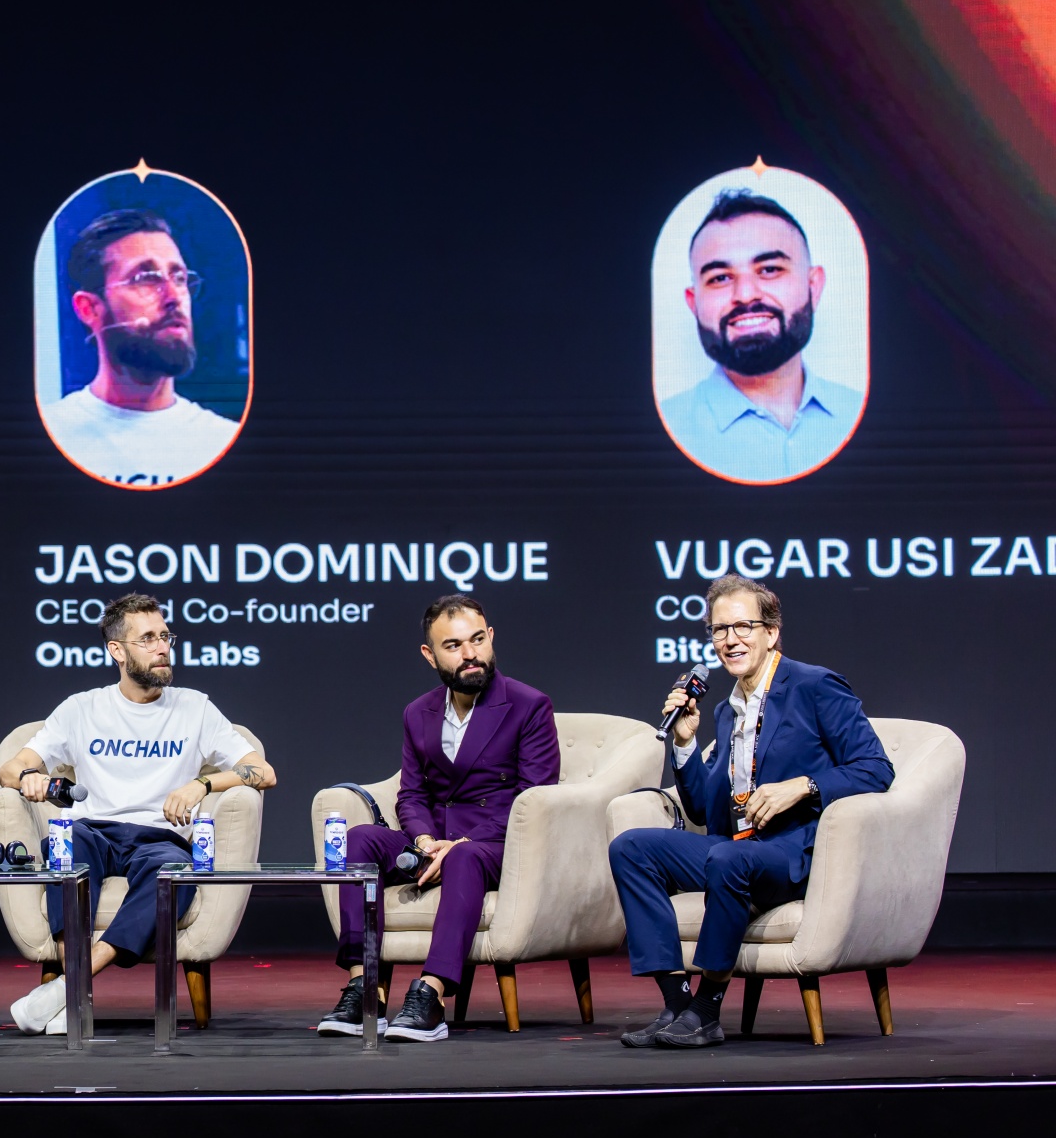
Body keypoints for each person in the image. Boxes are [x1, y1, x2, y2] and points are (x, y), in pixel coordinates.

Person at [609, 576, 894, 1048]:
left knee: (727, 858)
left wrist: (803, 786)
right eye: (719, 630)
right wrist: (684, 744)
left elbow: (876, 768)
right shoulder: (728, 709)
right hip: (737, 848)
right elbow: (703, 809)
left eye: (743, 626)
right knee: (631, 848)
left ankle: (707, 1009)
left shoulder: (814, 686)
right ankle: (677, 1004)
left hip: (793, 852)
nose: (730, 640)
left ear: (771, 632)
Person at [1, 593, 276, 1034]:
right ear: (117, 650)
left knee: (175, 875)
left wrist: (202, 784)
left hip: (159, 837)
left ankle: (68, 990)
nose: (162, 647)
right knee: (65, 848)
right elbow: (10, 768)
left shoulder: (195, 708)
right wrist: (28, 777)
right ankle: (72, 995)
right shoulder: (81, 709)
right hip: (94, 831)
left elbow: (263, 772)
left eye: (165, 636)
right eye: (147, 638)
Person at [316, 595, 559, 1042]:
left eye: (478, 640)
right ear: (430, 655)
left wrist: (460, 845)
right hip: (435, 843)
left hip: (496, 845)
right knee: (359, 839)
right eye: (454, 645)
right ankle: (363, 987)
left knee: (464, 858)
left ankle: (431, 994)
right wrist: (426, 839)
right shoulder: (418, 712)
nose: (470, 654)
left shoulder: (529, 705)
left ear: (491, 638)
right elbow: (411, 794)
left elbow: (533, 799)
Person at [656, 189, 864, 484]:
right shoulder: (662, 431)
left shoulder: (869, 418)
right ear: (694, 303)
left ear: (813, 287)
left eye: (769, 270)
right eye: (720, 278)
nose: (745, 294)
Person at [40, 209, 241, 486]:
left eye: (179, 278)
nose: (174, 297)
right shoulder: (50, 436)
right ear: (89, 309)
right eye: (145, 278)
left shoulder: (223, 443)